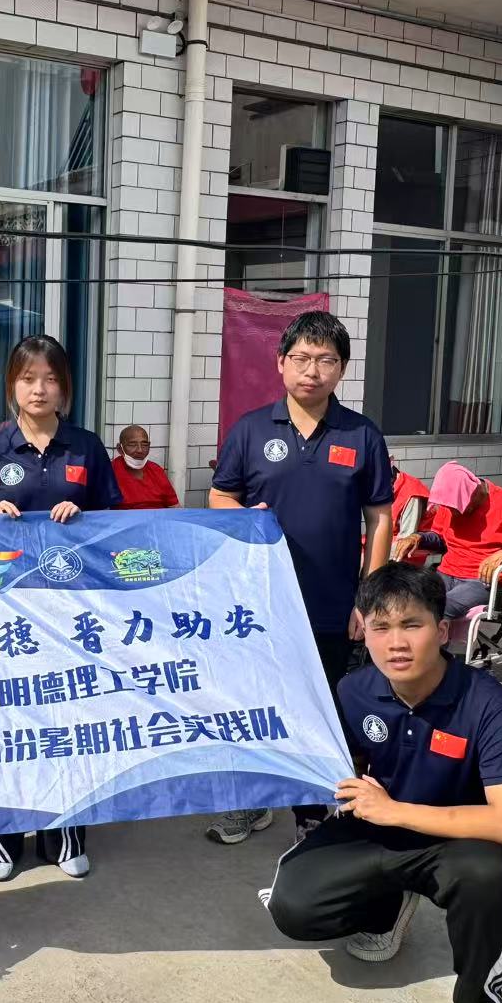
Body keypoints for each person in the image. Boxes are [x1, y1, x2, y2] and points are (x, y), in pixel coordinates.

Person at [261, 563, 502, 1003]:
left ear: (443, 629)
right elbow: (341, 767)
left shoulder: (489, 704)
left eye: (412, 624)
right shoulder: (354, 690)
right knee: (293, 906)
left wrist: (396, 811)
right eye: (380, 627)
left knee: (485, 873)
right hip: (377, 826)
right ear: (363, 631)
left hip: (455, 837)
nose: (396, 643)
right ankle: (386, 911)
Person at [204, 310, 394, 844]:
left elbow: (380, 518)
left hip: (333, 602)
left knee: (320, 708)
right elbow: (220, 495)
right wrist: (243, 517)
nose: (313, 370)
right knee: (255, 704)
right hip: (260, 603)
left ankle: (312, 816)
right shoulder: (250, 429)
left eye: (326, 360)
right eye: (302, 358)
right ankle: (252, 802)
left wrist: (368, 596)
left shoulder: (362, 434)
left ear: (341, 369)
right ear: (281, 363)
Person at [0, 333, 121, 881]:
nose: (39, 389)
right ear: (12, 386)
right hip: (4, 613)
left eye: (50, 379)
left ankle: (65, 831)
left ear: (64, 388)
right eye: (28, 379)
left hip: (70, 610)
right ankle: (0, 835)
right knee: (3, 717)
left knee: (67, 715)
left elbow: (113, 529)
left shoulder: (87, 448)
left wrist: (85, 518)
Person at [398, 462, 502, 620]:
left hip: (486, 581)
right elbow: (441, 539)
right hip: (448, 572)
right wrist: (419, 538)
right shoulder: (448, 504)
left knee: (439, 608)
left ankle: (436, 636)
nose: (452, 513)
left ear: (474, 491)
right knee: (410, 603)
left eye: (457, 508)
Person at [110, 424, 180, 511]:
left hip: (158, 518)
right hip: (123, 519)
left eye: (144, 445)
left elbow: (174, 507)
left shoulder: (156, 470)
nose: (140, 450)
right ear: (120, 449)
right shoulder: (110, 472)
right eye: (132, 445)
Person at [391, 457, 432, 565]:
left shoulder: (412, 493)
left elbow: (405, 543)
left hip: (408, 554)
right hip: (391, 539)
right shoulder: (388, 486)